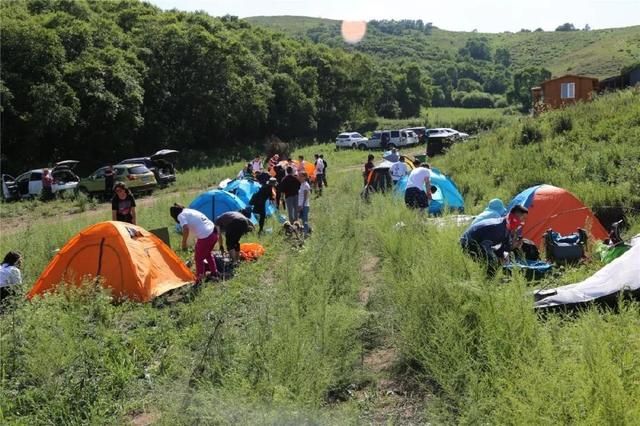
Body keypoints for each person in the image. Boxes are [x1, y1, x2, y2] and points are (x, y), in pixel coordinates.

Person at [460, 205, 529, 276]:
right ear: (515, 217)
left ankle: (487, 277)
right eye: (522, 218)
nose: (523, 222)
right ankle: (487, 282)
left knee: (499, 259)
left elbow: (504, 248)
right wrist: (496, 258)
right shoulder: (498, 227)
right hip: (467, 243)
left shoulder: (506, 226)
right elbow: (485, 246)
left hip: (479, 243)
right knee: (493, 261)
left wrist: (514, 246)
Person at [170, 204, 218, 283]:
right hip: (214, 232)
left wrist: (184, 243)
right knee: (208, 254)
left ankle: (199, 279)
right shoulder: (189, 211)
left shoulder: (180, 215)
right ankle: (214, 273)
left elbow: (186, 228)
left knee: (198, 259)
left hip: (206, 236)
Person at [297, 171, 311, 236]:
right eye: (299, 176)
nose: (299, 177)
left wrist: (302, 206)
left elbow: (305, 197)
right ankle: (308, 230)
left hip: (304, 205)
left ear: (304, 177)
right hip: (300, 205)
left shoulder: (305, 185)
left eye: (300, 176)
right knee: (302, 219)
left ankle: (306, 233)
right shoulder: (301, 184)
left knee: (305, 220)